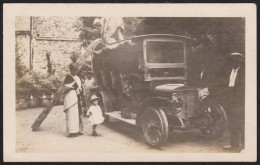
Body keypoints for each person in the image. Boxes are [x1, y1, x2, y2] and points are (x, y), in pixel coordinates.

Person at [222, 52, 245, 151]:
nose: (231, 63)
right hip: (230, 99)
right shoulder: (228, 71)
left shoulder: (244, 72)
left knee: (241, 123)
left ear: (238, 62)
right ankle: (234, 144)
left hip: (240, 101)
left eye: (233, 61)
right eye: (230, 61)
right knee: (232, 123)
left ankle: (245, 146)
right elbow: (226, 85)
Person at [63, 63, 81, 137]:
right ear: (70, 70)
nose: (75, 72)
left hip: (75, 97)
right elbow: (65, 87)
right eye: (73, 70)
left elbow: (79, 86)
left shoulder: (77, 77)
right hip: (69, 97)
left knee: (75, 115)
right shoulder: (67, 77)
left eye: (76, 70)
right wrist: (71, 86)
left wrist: (79, 88)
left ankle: (76, 131)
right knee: (70, 115)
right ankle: (71, 132)